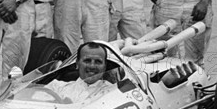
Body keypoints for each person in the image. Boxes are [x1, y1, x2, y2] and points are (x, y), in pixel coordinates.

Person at [47, 42, 198, 102]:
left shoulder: (114, 90)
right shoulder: (56, 87)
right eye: (87, 61)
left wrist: (169, 81)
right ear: (77, 64)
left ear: (105, 66)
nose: (92, 66)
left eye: (98, 62)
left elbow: (144, 98)